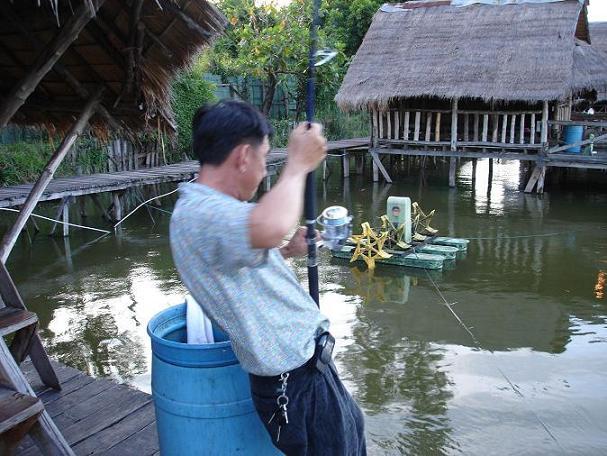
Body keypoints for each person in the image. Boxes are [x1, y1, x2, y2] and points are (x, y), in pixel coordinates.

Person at [170, 100, 366, 455]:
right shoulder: (201, 212)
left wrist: (288, 251)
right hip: (294, 382)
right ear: (244, 157)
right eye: (264, 159)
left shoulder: (213, 211)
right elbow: (271, 224)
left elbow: (239, 266)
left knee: (353, 434)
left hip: (306, 370)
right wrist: (297, 165)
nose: (264, 172)